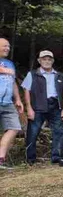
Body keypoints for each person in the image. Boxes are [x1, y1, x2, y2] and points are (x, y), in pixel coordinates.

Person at [22, 50, 63, 165]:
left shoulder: (59, 75)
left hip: (55, 106)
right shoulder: (32, 74)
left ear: (52, 61)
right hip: (38, 106)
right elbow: (26, 91)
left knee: (59, 131)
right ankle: (30, 159)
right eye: (44, 59)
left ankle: (56, 157)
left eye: (49, 59)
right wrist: (29, 108)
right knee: (33, 132)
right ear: (39, 60)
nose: (47, 61)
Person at [0, 38, 24, 169]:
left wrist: (18, 99)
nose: (7, 49)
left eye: (8, 46)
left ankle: (0, 159)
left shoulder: (9, 63)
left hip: (8, 102)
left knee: (14, 127)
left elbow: (13, 82)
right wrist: (3, 71)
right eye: (4, 46)